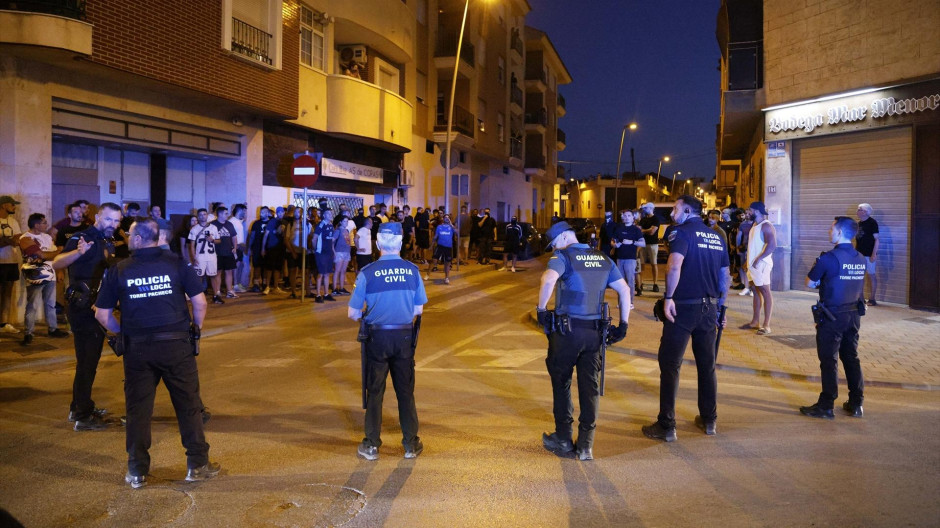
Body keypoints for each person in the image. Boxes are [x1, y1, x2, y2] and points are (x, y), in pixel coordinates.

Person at [94, 217, 219, 489]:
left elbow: (103, 315)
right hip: (176, 345)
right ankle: (197, 465)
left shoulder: (119, 269)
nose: (126, 237)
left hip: (138, 349)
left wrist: (122, 332)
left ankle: (137, 470)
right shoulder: (177, 263)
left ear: (138, 239)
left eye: (129, 234)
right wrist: (195, 330)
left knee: (138, 410)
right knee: (189, 405)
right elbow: (200, 302)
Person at [537, 221, 631, 460]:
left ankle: (563, 438)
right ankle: (586, 445)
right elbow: (624, 290)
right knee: (590, 388)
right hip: (594, 334)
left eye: (554, 243)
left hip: (567, 332)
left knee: (562, 384)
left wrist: (541, 309)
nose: (553, 248)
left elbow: (548, 279)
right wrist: (623, 325)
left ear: (564, 237)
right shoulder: (602, 258)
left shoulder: (563, 257)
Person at [642, 195, 730, 442]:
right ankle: (709, 420)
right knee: (707, 365)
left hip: (683, 308)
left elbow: (673, 266)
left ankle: (667, 425)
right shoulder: (717, 236)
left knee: (670, 365)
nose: (671, 213)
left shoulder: (679, 233)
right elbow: (725, 273)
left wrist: (668, 297)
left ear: (688, 210)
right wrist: (721, 308)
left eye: (675, 208)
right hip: (710, 308)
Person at [348, 221, 427, 461]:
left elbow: (352, 313)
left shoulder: (368, 272)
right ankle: (411, 444)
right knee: (405, 391)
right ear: (401, 243)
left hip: (377, 337)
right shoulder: (412, 270)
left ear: (379, 243)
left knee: (375, 391)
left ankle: (371, 445)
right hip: (403, 336)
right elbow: (419, 308)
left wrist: (370, 315)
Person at [52, 201, 123, 430]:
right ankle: (83, 416)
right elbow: (57, 262)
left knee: (88, 361)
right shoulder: (82, 236)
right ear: (98, 217)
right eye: (110, 219)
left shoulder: (106, 241)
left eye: (117, 220)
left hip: (96, 306)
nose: (114, 224)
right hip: (82, 307)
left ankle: (79, 407)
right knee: (87, 361)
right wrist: (78, 252)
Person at [800, 216, 867, 420]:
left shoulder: (828, 258)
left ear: (839, 232)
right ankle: (856, 404)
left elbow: (809, 283)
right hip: (854, 315)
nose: (829, 232)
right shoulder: (860, 257)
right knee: (851, 357)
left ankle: (826, 405)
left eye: (832, 229)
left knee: (829, 360)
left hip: (832, 316)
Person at [18, 213, 69, 344]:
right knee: (32, 304)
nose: (47, 225)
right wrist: (59, 251)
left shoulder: (47, 237)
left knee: (50, 304)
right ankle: (28, 332)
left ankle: (53, 329)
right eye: (44, 222)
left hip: (50, 273)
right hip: (35, 276)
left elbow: (51, 256)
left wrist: (59, 270)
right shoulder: (25, 238)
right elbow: (42, 254)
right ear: (37, 225)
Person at [744, 201, 776, 335]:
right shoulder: (755, 225)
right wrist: (748, 262)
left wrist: (759, 259)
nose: (747, 213)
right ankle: (755, 322)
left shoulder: (766, 226)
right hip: (753, 265)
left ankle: (766, 325)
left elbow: (772, 245)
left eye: (749, 211)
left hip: (761, 265)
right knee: (756, 291)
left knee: (765, 292)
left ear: (756, 211)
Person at [188, 208, 224, 305]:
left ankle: (216, 295)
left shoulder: (213, 228)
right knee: (198, 276)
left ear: (207, 215)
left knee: (213, 275)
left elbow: (219, 240)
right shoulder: (194, 229)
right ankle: (197, 296)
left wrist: (212, 240)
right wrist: (194, 257)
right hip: (200, 256)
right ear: (198, 217)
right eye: (200, 215)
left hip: (212, 256)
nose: (203, 216)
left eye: (204, 214)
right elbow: (191, 245)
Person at [612, 209, 646, 308]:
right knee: (620, 281)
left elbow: (643, 243)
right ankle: (621, 302)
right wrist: (615, 245)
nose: (626, 217)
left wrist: (632, 242)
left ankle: (630, 302)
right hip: (619, 258)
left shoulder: (636, 230)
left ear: (633, 218)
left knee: (630, 281)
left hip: (630, 259)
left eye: (629, 215)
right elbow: (613, 241)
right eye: (625, 215)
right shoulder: (618, 228)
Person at [0, 195, 24, 334]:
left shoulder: (13, 222)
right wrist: (9, 240)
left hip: (11, 261)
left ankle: (4, 323)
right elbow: (12, 240)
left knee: (8, 293)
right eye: (12, 204)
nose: (14, 207)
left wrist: (5, 240)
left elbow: (17, 240)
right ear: (4, 205)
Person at [210, 206, 238, 298]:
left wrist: (235, 247)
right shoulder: (212, 225)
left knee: (229, 272)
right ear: (220, 214)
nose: (227, 215)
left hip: (228, 252)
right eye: (226, 213)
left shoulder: (229, 224)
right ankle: (217, 292)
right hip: (216, 253)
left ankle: (230, 291)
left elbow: (234, 237)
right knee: (217, 272)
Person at [855, 203, 880, 306]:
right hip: (859, 254)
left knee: (871, 275)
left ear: (865, 212)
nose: (858, 211)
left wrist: (874, 254)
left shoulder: (872, 223)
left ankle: (872, 299)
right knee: (859, 276)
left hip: (869, 254)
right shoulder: (859, 224)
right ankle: (861, 299)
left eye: (859, 209)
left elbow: (877, 240)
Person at [261, 207, 287, 295]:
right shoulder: (272, 222)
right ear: (276, 213)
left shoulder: (285, 222)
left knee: (278, 268)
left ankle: (276, 287)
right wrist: (263, 248)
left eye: (282, 212)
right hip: (272, 248)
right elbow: (266, 235)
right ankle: (267, 286)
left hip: (281, 248)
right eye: (278, 212)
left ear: (284, 213)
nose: (280, 214)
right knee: (269, 268)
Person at [313, 209, 337, 303]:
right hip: (321, 253)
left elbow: (331, 240)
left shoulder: (331, 225)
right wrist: (317, 250)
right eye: (328, 213)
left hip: (329, 253)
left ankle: (326, 294)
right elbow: (314, 239)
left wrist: (333, 252)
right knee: (321, 274)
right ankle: (318, 295)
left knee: (327, 274)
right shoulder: (321, 225)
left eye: (331, 213)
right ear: (324, 215)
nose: (331, 215)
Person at [637, 202, 661, 295]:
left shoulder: (656, 219)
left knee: (654, 264)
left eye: (646, 208)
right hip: (643, 244)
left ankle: (655, 283)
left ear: (651, 208)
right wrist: (647, 230)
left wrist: (643, 230)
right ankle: (641, 282)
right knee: (642, 264)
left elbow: (652, 232)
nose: (644, 210)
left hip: (653, 244)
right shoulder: (643, 219)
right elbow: (642, 230)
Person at [425, 213, 454, 284]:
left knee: (447, 263)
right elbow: (435, 237)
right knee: (434, 260)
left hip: (448, 247)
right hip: (440, 246)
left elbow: (457, 232)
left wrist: (451, 224)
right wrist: (431, 245)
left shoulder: (451, 227)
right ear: (443, 219)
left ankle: (446, 277)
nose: (447, 218)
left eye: (448, 217)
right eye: (445, 217)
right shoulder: (439, 227)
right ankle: (427, 274)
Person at [248, 206, 271, 292]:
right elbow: (252, 236)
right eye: (260, 212)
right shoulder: (256, 223)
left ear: (267, 213)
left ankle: (265, 283)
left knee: (266, 267)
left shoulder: (271, 223)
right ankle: (256, 284)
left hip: (268, 248)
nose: (260, 214)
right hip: (257, 248)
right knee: (257, 266)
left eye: (263, 212)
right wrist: (250, 248)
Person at [284, 206, 306, 299]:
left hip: (303, 252)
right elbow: (286, 239)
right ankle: (293, 291)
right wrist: (293, 252)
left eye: (300, 212)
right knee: (292, 271)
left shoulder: (305, 224)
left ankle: (304, 291)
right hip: (292, 251)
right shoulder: (291, 224)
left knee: (304, 272)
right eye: (296, 212)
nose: (298, 213)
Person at [332, 213, 353, 297]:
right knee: (337, 271)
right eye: (344, 221)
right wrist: (334, 252)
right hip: (339, 252)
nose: (346, 223)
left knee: (343, 271)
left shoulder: (347, 230)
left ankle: (341, 288)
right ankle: (334, 289)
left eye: (347, 221)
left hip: (346, 252)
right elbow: (332, 241)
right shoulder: (338, 230)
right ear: (341, 222)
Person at [230, 204, 249, 292]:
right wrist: (235, 247)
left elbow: (244, 218)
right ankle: (234, 285)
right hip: (235, 247)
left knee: (240, 265)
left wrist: (244, 206)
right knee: (235, 267)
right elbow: (230, 236)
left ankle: (237, 284)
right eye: (244, 211)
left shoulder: (238, 221)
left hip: (240, 247)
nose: (245, 213)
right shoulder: (232, 222)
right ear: (239, 211)